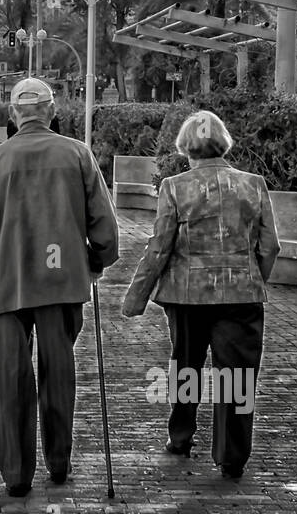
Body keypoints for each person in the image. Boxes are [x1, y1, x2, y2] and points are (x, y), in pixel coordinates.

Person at [0, 77, 119, 498]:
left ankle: (16, 474)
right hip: (61, 283)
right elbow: (105, 228)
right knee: (59, 374)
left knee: (10, 379)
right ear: (51, 110)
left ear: (13, 115)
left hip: (7, 284)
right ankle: (59, 462)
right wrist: (95, 262)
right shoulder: (77, 155)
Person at [120, 110, 280, 481]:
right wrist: (253, 277)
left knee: (186, 365)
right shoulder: (254, 184)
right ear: (222, 142)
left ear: (185, 147)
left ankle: (181, 436)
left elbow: (160, 247)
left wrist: (137, 296)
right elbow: (271, 246)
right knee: (238, 376)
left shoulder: (175, 187)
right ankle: (231, 457)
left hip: (186, 295)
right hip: (242, 295)